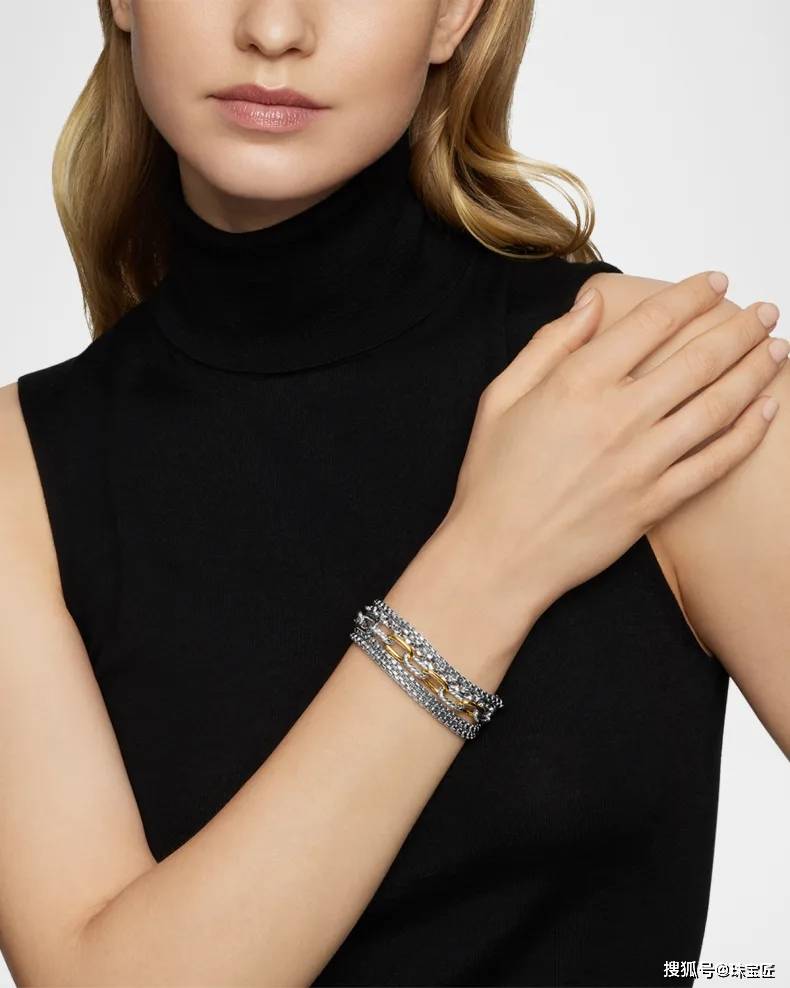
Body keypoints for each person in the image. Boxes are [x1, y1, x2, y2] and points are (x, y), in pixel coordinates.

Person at [0, 1, 787, 985]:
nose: (274, 29)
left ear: (454, 14)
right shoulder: (22, 474)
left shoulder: (651, 384)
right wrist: (490, 561)